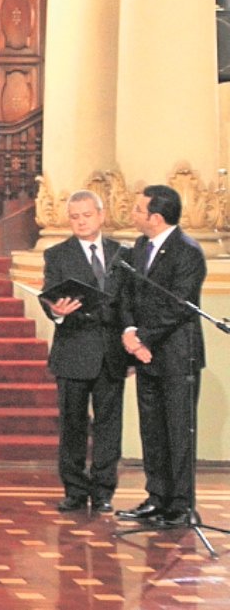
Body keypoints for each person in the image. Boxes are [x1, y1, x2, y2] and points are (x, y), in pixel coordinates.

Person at [116, 185, 207, 527]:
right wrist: (128, 332)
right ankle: (157, 498)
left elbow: (179, 307)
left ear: (155, 217)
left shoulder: (187, 252)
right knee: (152, 431)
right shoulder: (140, 246)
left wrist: (142, 338)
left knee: (178, 434)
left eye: (138, 209)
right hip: (146, 356)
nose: (133, 214)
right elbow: (128, 293)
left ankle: (180, 505)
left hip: (176, 357)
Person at [40, 190, 129, 514]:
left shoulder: (123, 253)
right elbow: (48, 296)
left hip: (111, 353)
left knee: (109, 425)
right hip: (73, 349)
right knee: (73, 424)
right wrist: (58, 311)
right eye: (74, 217)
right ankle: (75, 490)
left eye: (86, 215)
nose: (80, 221)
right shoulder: (57, 254)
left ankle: (104, 490)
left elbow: (129, 306)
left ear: (101, 215)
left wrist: (130, 350)